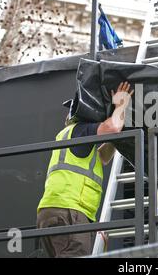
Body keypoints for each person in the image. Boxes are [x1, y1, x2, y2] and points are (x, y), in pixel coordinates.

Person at [37, 82, 133, 258]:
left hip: (53, 212)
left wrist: (116, 130)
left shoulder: (70, 136)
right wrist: (120, 106)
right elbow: (111, 128)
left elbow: (103, 156)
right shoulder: (80, 130)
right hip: (70, 211)